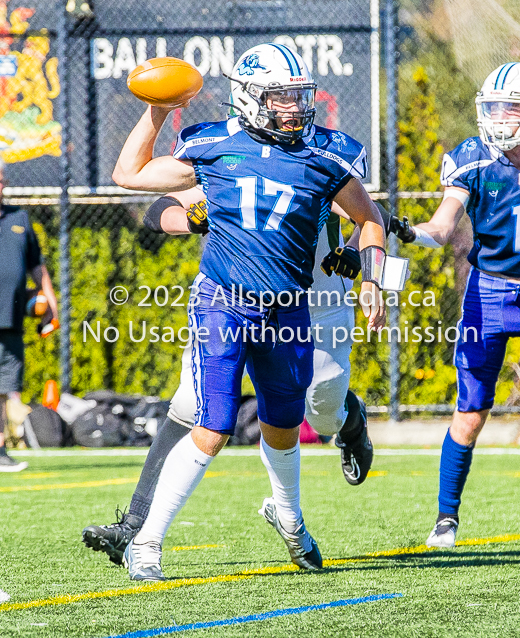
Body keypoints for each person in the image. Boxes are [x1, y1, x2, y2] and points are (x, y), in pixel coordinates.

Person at [107, 43, 386, 580]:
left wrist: (371, 276)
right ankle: (147, 542)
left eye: (297, 97)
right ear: (250, 99)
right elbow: (129, 175)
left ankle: (290, 520)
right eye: (281, 98)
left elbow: (369, 219)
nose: (294, 108)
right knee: (212, 425)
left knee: (284, 428)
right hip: (223, 303)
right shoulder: (212, 144)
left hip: (289, 307)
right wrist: (158, 110)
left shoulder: (326, 154)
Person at [82, 188, 374, 567]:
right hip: (232, 303)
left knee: (322, 414)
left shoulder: (314, 157)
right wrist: (188, 218)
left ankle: (351, 422)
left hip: (313, 307)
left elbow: (369, 214)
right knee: (190, 403)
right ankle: (135, 526)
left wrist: (354, 250)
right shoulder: (234, 155)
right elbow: (158, 203)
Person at [390, 62, 520, 548]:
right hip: (489, 289)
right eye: (496, 108)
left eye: (512, 107)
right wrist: (411, 231)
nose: (501, 118)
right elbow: (444, 226)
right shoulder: (474, 158)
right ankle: (447, 517)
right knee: (470, 411)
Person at [0, 160, 59, 471]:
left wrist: (49, 300)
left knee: (4, 386)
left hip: (9, 316)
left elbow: (37, 265)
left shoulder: (19, 219)